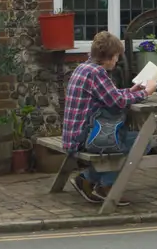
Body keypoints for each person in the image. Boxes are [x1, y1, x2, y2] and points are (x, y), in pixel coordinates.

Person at [60, 31, 150, 204]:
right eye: (116, 56)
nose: (117, 61)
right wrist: (146, 93)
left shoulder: (84, 68)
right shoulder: (97, 73)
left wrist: (131, 91)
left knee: (132, 140)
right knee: (142, 141)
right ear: (107, 57)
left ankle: (87, 180)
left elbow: (110, 95)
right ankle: (104, 187)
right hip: (84, 138)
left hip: (74, 135)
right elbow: (117, 102)